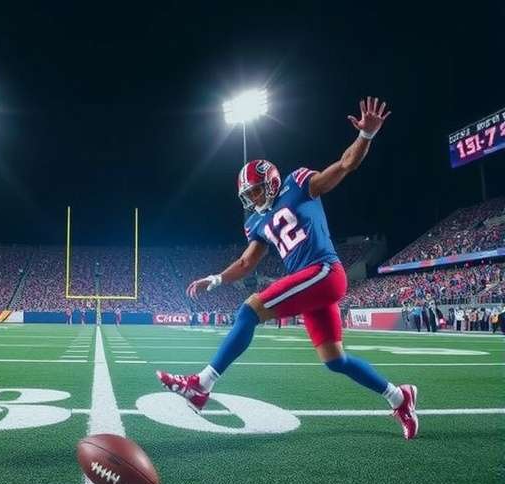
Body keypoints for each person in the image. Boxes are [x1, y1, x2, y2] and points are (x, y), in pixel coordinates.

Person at [156, 97, 419, 439]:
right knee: (334, 360)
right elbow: (247, 262)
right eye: (248, 194)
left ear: (272, 180)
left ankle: (201, 385)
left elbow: (343, 165)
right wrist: (216, 278)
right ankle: (400, 397)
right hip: (311, 285)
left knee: (249, 312)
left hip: (323, 271)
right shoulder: (257, 221)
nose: (253, 198)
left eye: (256, 189)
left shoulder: (299, 184)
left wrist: (366, 136)